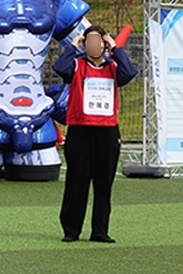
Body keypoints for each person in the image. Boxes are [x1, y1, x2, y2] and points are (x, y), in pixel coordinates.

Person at [53, 25, 138, 243]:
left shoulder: (113, 67)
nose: (94, 45)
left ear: (104, 43)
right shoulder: (77, 64)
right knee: (76, 182)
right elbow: (60, 68)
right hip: (80, 130)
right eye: (88, 40)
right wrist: (72, 47)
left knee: (104, 183)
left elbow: (129, 73)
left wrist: (116, 48)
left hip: (107, 132)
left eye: (98, 41)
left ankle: (100, 231)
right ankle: (71, 230)